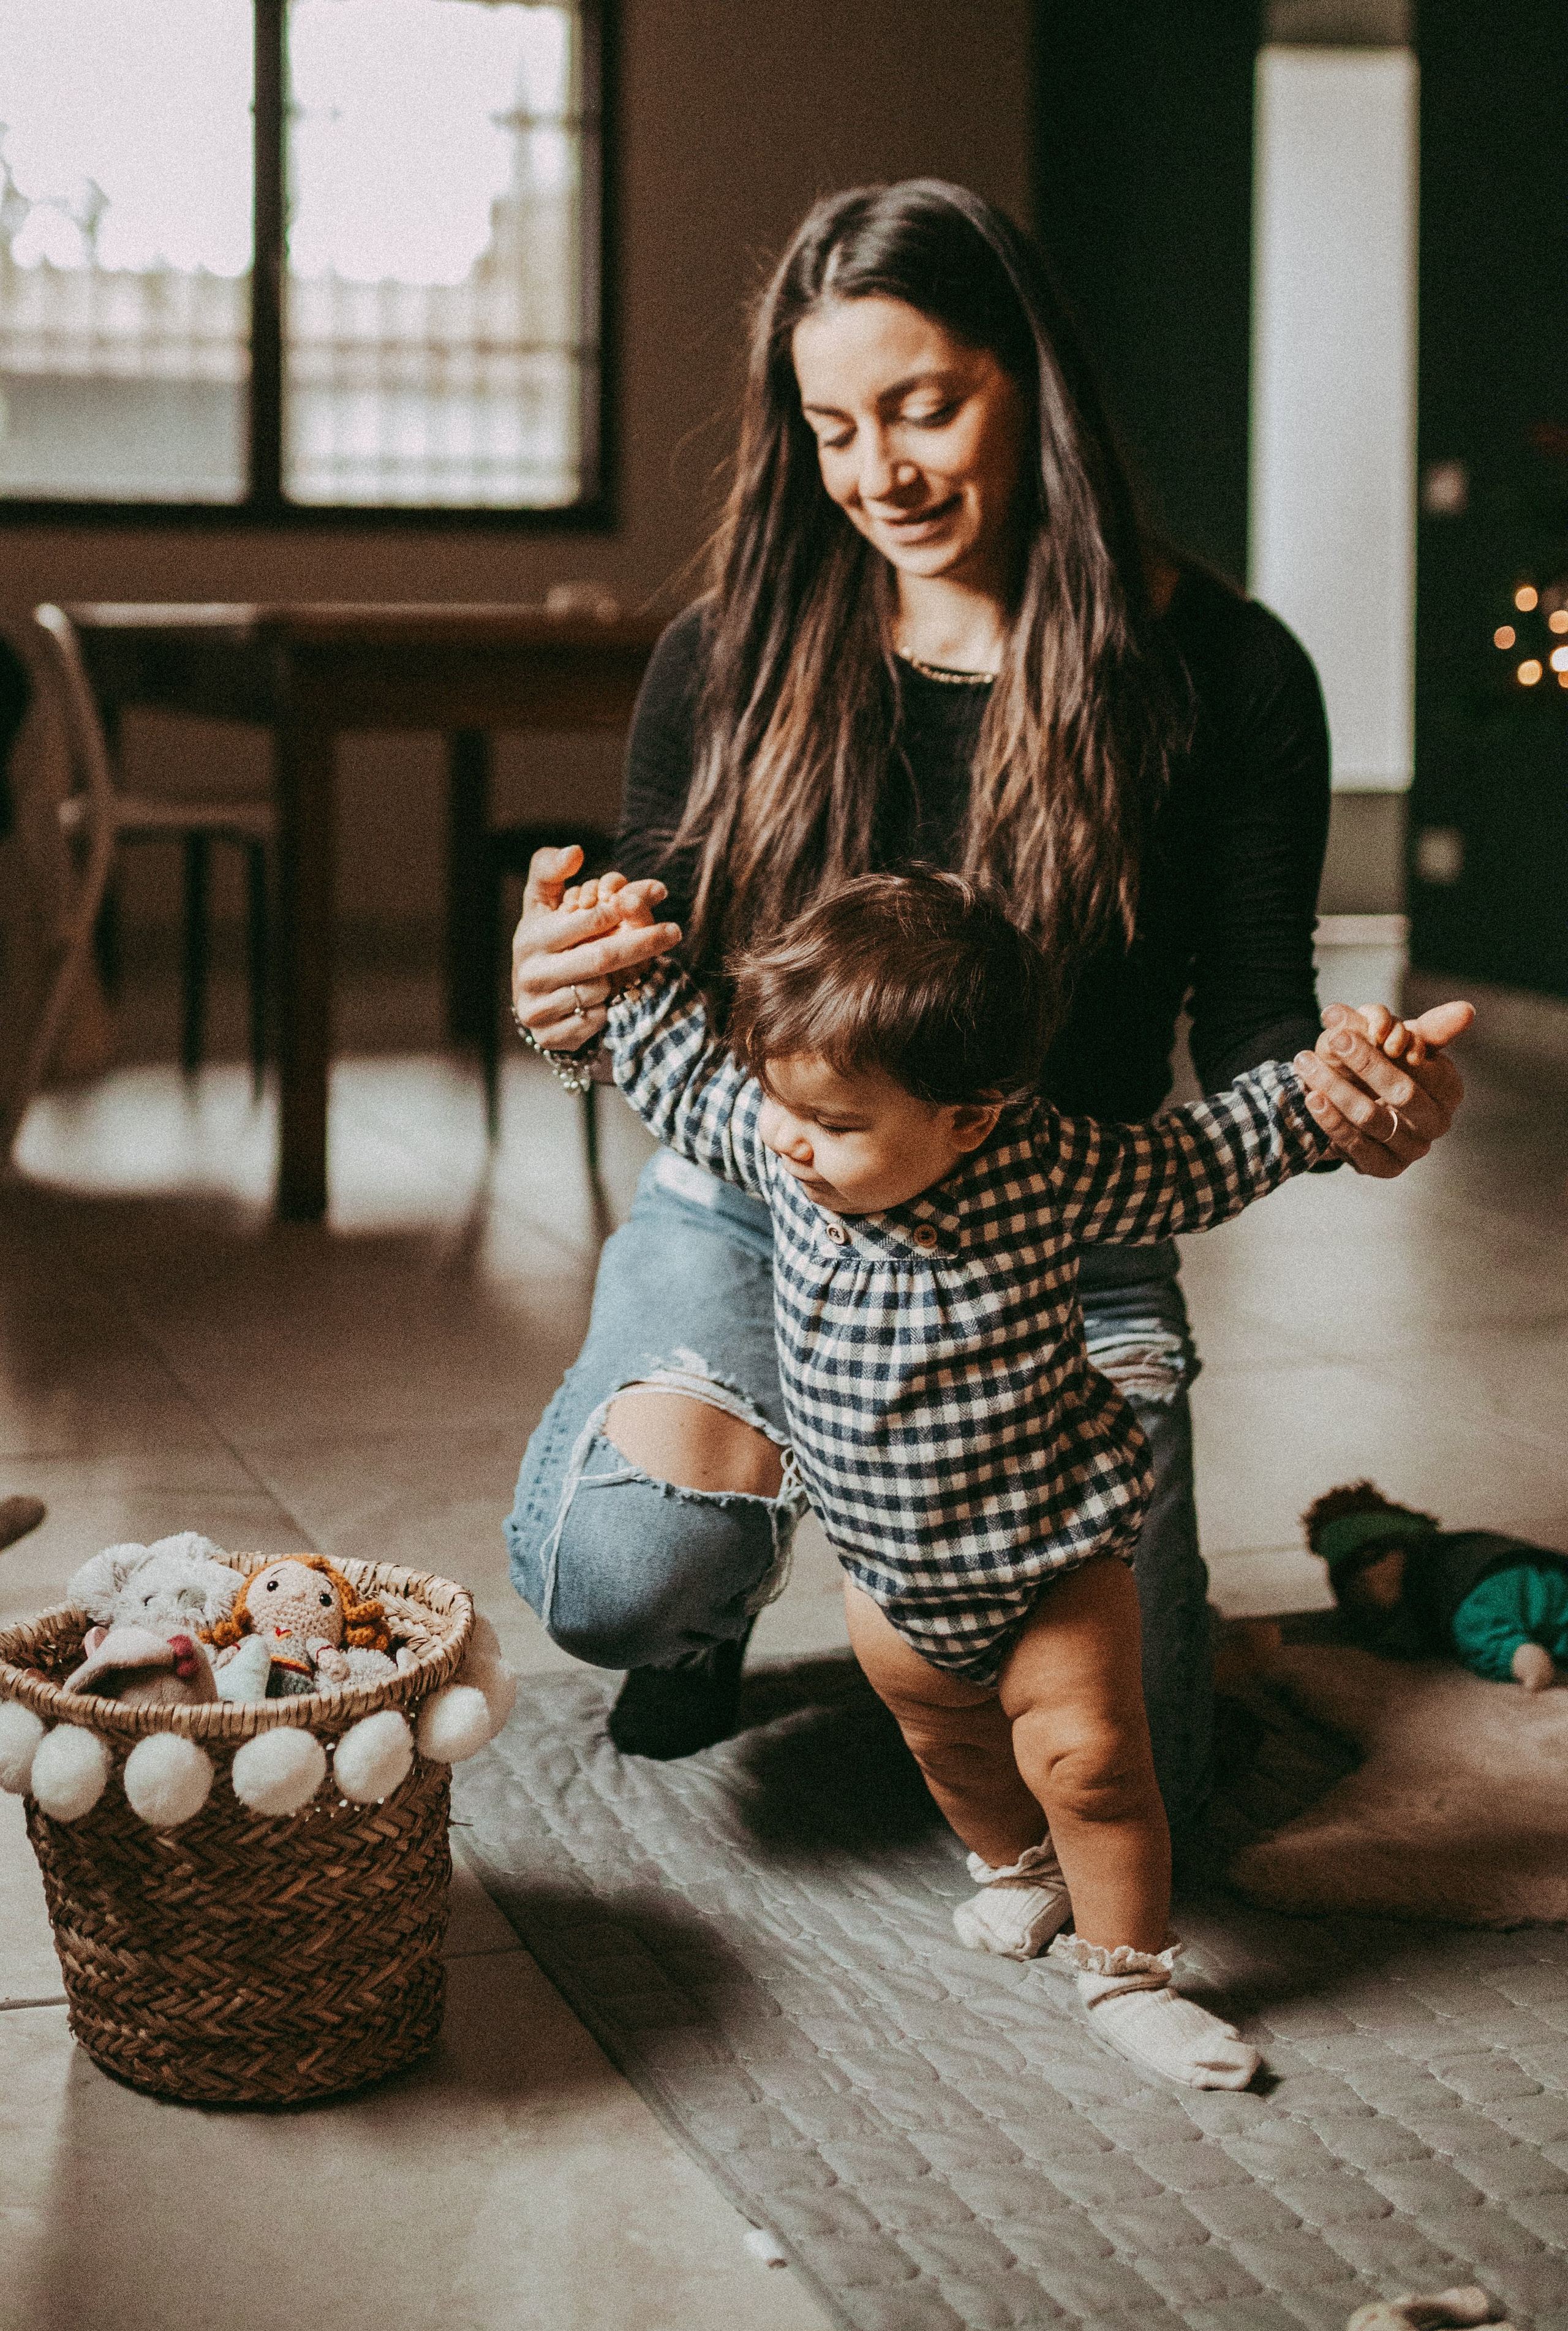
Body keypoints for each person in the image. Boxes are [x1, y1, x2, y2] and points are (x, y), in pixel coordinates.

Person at [505, 179, 1470, 1835]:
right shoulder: (731, 649)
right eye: (831, 429)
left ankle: (951, 1527)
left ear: (1034, 382)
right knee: (620, 1575)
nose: (876, 473)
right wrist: (560, 990)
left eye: (923, 409)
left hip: (1059, 1226)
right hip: (765, 1195)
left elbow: (1256, 1016)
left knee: (1140, 1774)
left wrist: (1352, 1093)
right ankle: (729, 1567)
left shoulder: (1228, 671)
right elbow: (645, 969)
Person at [565, 863, 1341, 2086]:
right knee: (951, 1748)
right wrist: (627, 964)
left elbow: (1198, 1156)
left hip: (1050, 1554)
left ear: (969, 1119)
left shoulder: (1044, 1169)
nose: (792, 1139)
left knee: (1093, 1764)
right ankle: (1021, 1870)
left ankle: (1127, 1974)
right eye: (781, 1104)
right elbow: (675, 1072)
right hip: (889, 1573)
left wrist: (1319, 1095)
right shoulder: (779, 1147)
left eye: (836, 1125)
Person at [1305, 1479, 1568, 1691]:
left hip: (1488, 1596)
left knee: (1478, 1632)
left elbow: (1485, 1638)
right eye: (1347, 1578)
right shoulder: (1454, 1548)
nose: (1363, 1581)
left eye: (1368, 1561)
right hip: (1535, 1578)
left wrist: (1521, 1660)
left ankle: (1521, 1655)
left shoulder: (1452, 1595)